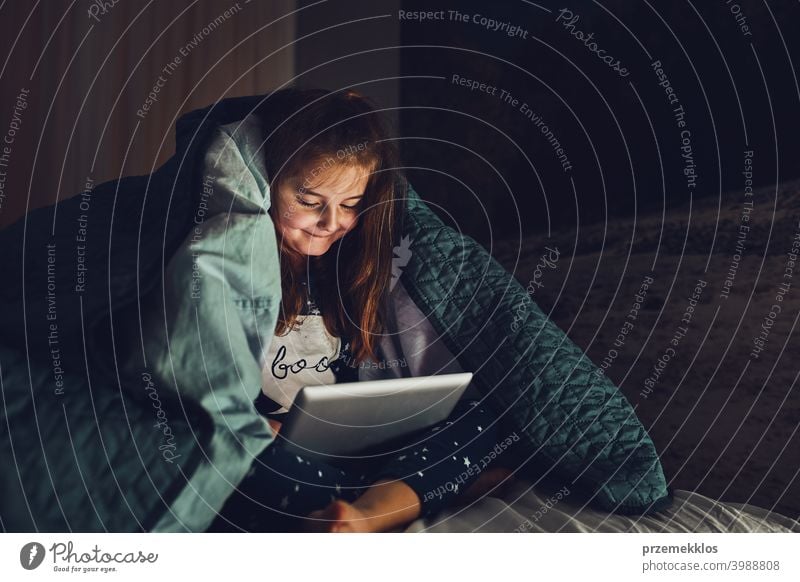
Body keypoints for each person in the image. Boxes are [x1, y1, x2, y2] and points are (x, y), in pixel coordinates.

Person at [207, 88, 514, 533]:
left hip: (352, 449)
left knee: (485, 416)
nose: (332, 223)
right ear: (268, 180)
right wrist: (250, 424)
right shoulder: (231, 263)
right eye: (310, 202)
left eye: (350, 205)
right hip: (271, 450)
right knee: (233, 463)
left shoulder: (350, 268)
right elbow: (198, 386)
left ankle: (367, 513)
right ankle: (400, 498)